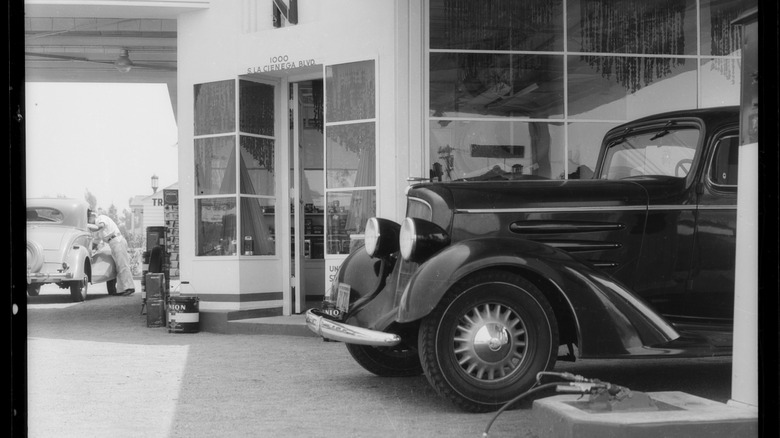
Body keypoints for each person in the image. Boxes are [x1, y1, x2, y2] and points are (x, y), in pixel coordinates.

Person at [88, 211, 135, 296]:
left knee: (122, 265)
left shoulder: (100, 218)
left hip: (117, 240)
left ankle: (129, 287)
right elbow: (96, 242)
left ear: (93, 216)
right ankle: (122, 290)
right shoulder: (98, 231)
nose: (89, 221)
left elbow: (100, 226)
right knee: (119, 266)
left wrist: (87, 226)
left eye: (89, 219)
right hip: (113, 243)